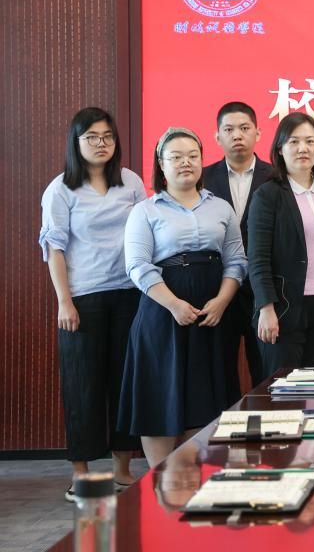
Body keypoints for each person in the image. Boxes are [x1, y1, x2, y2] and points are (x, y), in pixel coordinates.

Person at [119, 128, 246, 467]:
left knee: (205, 396)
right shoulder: (145, 211)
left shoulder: (221, 207)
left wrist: (222, 301)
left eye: (192, 155)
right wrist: (174, 304)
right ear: (161, 165)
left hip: (212, 316)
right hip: (162, 314)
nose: (185, 162)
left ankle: (199, 478)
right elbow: (137, 266)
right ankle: (160, 480)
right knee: (161, 395)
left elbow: (237, 260)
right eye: (175, 157)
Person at [39, 108, 146, 500]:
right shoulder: (60, 190)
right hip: (83, 298)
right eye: (92, 137)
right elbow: (54, 249)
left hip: (130, 294)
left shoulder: (131, 182)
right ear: (76, 141)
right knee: (81, 385)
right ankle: (81, 473)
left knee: (124, 383)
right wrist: (64, 301)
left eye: (108, 136)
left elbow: (147, 231)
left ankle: (122, 469)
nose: (102, 143)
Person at [247, 113, 314, 376]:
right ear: (280, 149)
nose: (303, 148)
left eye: (309, 141)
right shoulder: (268, 194)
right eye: (294, 142)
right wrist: (266, 307)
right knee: (283, 387)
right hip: (283, 307)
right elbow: (257, 258)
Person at [201, 101, 270, 393]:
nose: (237, 135)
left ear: (258, 133)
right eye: (229, 129)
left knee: (266, 371)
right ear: (217, 137)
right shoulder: (201, 178)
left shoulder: (277, 177)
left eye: (244, 128)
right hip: (217, 291)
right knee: (218, 372)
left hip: (262, 292)